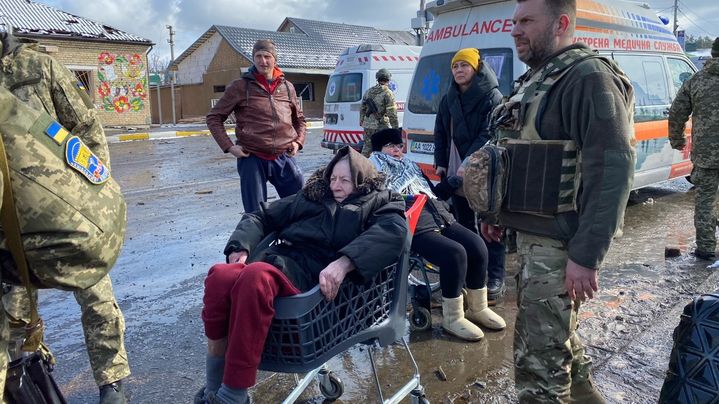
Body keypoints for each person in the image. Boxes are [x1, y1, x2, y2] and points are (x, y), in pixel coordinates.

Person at [476, 0, 636, 401]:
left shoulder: (588, 78)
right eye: (514, 21)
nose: (515, 30)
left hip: (560, 248)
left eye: (526, 21)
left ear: (561, 23)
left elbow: (612, 170)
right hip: (532, 242)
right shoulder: (536, 79)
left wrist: (586, 255)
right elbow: (517, 154)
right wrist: (498, 213)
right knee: (558, 347)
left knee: (538, 369)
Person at [196, 147, 408, 404]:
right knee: (220, 275)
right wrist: (240, 246)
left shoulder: (381, 202)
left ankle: (234, 395)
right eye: (332, 178)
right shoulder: (310, 197)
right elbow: (261, 215)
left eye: (344, 180)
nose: (335, 186)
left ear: (361, 180)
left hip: (319, 284)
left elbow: (392, 232)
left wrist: (344, 263)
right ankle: (213, 386)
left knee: (256, 277)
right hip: (284, 262)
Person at [0, 30, 129, 403]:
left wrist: (94, 196)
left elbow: (86, 128)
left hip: (67, 209)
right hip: (15, 224)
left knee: (95, 290)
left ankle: (112, 381)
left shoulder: (39, 67)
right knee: (14, 310)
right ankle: (29, 371)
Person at [368, 128, 505, 341]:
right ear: (378, 149)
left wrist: (450, 184)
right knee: (455, 253)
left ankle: (477, 308)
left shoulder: (410, 166)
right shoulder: (374, 169)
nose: (396, 150)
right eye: (389, 146)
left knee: (477, 246)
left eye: (398, 145)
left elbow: (432, 191)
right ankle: (453, 317)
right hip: (411, 222)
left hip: (437, 213)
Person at [432, 48, 507, 304]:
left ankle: (495, 276)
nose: (459, 70)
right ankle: (469, 273)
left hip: (485, 167)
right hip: (455, 167)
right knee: (462, 223)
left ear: (476, 69)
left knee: (490, 223)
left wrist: (470, 162)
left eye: (464, 65)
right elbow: (440, 130)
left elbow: (489, 133)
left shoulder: (492, 96)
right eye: (455, 66)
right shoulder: (448, 97)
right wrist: (440, 163)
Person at [207, 39, 306, 214]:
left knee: (299, 205)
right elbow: (214, 118)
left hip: (284, 156)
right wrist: (230, 147)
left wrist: (298, 142)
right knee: (255, 214)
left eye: (267, 56)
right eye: (258, 56)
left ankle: (295, 240)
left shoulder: (287, 87)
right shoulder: (240, 86)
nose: (263, 61)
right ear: (253, 59)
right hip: (252, 157)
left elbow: (299, 120)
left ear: (275, 59)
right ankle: (259, 240)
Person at [668, 37, 719, 261]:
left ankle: (706, 249)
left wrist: (677, 141)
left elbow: (677, 112)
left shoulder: (696, 81)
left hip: (707, 156)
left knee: (706, 201)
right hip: (707, 156)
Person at [360, 68, 399, 156]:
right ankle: (380, 168)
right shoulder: (388, 93)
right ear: (388, 79)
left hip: (368, 125)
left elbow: (362, 108)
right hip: (381, 126)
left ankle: (360, 167)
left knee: (367, 148)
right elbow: (392, 113)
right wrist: (395, 129)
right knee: (382, 150)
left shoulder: (368, 92)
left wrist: (362, 120)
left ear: (377, 79)